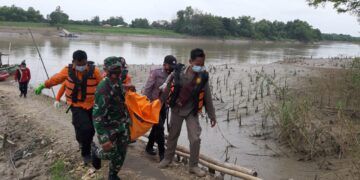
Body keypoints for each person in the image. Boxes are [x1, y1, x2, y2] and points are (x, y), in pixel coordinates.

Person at [34, 50, 103, 165]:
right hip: (76, 105)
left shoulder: (94, 71)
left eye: (83, 64)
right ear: (74, 62)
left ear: (87, 62)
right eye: (78, 64)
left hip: (91, 104)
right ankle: (85, 153)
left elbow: (102, 85)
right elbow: (56, 79)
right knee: (85, 128)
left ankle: (86, 141)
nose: (81, 66)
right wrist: (44, 85)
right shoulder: (67, 71)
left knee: (91, 129)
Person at [159, 48, 217, 177]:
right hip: (177, 109)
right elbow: (168, 88)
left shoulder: (202, 77)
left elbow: (207, 97)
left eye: (202, 65)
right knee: (173, 135)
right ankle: (168, 159)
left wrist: (212, 116)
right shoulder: (178, 72)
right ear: (190, 61)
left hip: (192, 111)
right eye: (197, 65)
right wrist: (159, 103)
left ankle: (193, 166)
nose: (200, 67)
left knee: (195, 138)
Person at [91, 57, 133, 180]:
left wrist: (128, 87)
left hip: (122, 124)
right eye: (114, 70)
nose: (117, 72)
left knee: (122, 152)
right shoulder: (103, 88)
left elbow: (118, 92)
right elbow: (97, 116)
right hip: (109, 126)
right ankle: (96, 153)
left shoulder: (117, 80)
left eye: (119, 69)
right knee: (111, 152)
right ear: (107, 70)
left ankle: (113, 175)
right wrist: (104, 139)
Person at [142, 55, 177, 160]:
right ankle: (162, 154)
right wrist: (145, 103)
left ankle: (149, 147)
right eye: (169, 65)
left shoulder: (174, 75)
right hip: (154, 105)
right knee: (160, 128)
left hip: (164, 105)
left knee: (156, 128)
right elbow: (148, 88)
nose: (171, 68)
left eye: (173, 66)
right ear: (164, 64)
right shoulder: (156, 73)